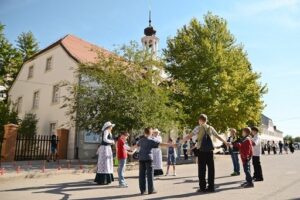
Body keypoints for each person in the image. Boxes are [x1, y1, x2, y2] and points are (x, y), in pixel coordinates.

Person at [182, 114, 228, 193]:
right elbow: (217, 136)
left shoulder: (198, 128)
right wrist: (225, 142)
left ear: (200, 120)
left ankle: (202, 187)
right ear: (206, 120)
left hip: (201, 151)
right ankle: (211, 187)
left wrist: (180, 142)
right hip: (210, 151)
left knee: (202, 170)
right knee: (211, 169)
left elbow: (189, 136)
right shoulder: (210, 128)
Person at [135, 128, 169, 195]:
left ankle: (143, 190)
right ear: (150, 133)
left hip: (141, 158)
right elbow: (161, 144)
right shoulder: (151, 140)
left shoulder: (141, 140)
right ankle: (151, 190)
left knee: (141, 175)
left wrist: (129, 149)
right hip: (148, 158)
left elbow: (136, 146)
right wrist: (171, 145)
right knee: (150, 174)